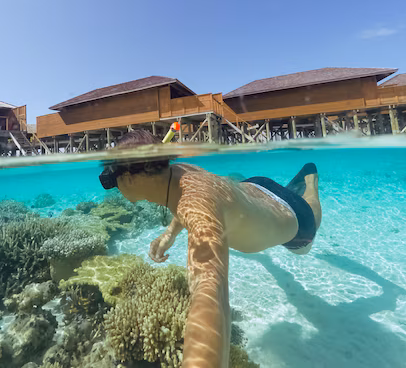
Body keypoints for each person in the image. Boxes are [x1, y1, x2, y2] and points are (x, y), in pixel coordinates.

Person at [99, 130, 322, 368]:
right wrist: (169, 234)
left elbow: (211, 291)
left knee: (307, 233)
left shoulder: (196, 206)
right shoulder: (177, 171)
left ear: (130, 178)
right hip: (256, 185)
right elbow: (189, 202)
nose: (112, 185)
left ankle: (310, 182)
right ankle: (295, 187)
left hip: (297, 218)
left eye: (110, 178)